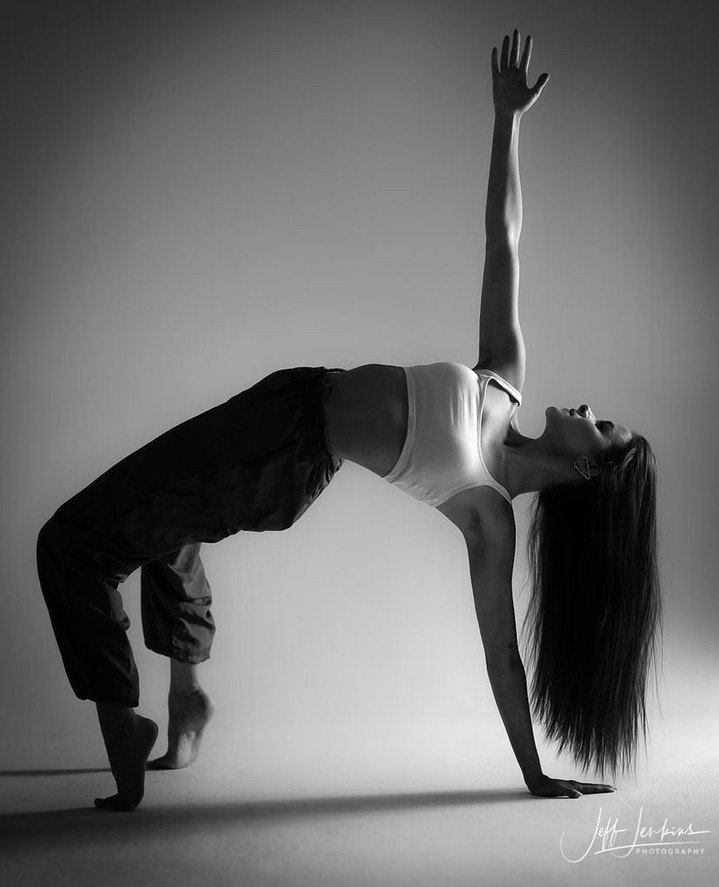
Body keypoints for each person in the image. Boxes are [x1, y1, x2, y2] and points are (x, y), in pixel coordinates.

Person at [36, 30, 661, 812]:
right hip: (289, 398)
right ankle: (187, 696)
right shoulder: (503, 377)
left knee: (75, 542)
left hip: (284, 455)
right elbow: (503, 238)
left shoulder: (489, 516)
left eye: (602, 427)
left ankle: (119, 724)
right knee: (165, 509)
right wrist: (507, 120)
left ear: (587, 469)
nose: (590, 410)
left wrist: (532, 773)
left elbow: (502, 654)